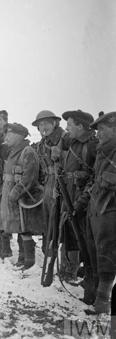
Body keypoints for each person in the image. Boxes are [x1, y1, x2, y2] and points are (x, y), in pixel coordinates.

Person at [59, 110, 97, 302]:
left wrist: (81, 202)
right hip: (70, 196)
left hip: (86, 202)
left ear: (81, 126)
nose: (67, 128)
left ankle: (91, 289)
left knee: (87, 242)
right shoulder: (72, 142)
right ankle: (73, 272)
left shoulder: (92, 146)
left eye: (70, 124)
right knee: (72, 235)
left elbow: (95, 178)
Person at [83, 111, 116, 314]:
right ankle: (99, 301)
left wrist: (103, 179)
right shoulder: (104, 150)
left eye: (102, 129)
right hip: (98, 209)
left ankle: (103, 303)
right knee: (98, 252)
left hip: (111, 210)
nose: (99, 134)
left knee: (108, 255)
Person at [0, 123, 43, 267]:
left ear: (19, 135)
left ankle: (29, 261)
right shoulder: (12, 152)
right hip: (10, 196)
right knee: (19, 228)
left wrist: (15, 193)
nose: (6, 137)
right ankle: (22, 259)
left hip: (21, 197)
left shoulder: (27, 151)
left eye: (9, 134)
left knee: (25, 229)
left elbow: (29, 177)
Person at [32, 110, 65, 265]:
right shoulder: (41, 145)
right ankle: (49, 255)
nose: (43, 127)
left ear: (55, 123)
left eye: (46, 123)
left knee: (64, 224)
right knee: (48, 221)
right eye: (40, 124)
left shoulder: (65, 139)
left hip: (64, 186)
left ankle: (67, 265)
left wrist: (61, 158)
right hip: (47, 185)